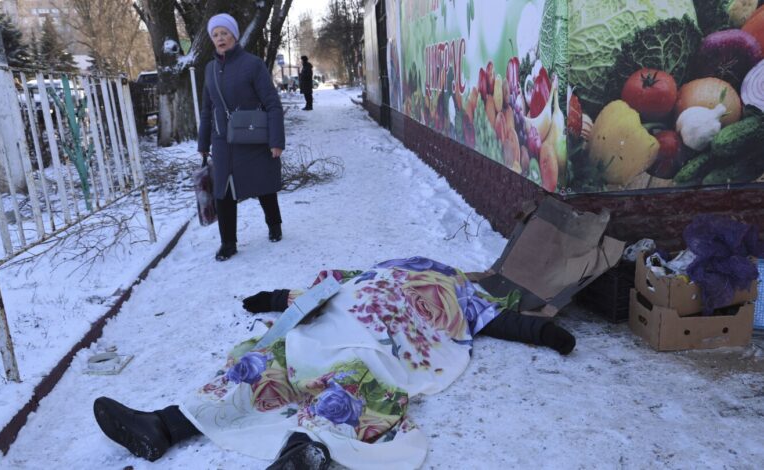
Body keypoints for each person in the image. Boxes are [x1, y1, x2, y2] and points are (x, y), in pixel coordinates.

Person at [93, 257, 575, 469]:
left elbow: (500, 320)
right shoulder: (370, 272)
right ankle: (163, 426)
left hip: (381, 343)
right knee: (259, 366)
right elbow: (319, 293)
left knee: (348, 387)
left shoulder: (459, 287)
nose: (416, 266)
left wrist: (546, 333)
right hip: (323, 329)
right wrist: (272, 298)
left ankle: (301, 455)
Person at [197, 13, 286, 262]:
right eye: (215, 35)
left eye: (224, 33)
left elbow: (272, 104)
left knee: (264, 185)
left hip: (253, 137)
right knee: (223, 193)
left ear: (234, 36)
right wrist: (203, 144)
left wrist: (276, 141)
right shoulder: (210, 69)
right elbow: (207, 109)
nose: (220, 38)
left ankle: (274, 225)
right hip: (222, 141)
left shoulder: (253, 64)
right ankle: (228, 243)